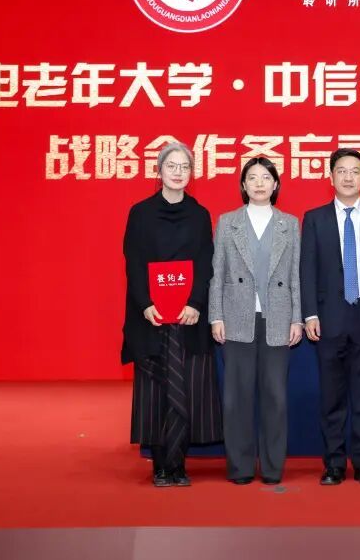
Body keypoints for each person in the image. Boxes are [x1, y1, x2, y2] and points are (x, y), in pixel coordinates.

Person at [121, 141, 222, 487]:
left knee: (185, 388)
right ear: (159, 170)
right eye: (172, 166)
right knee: (156, 391)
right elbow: (134, 262)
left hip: (187, 318)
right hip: (151, 317)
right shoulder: (140, 213)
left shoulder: (199, 214)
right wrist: (145, 303)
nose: (178, 173)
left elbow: (205, 263)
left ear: (191, 173)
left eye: (184, 167)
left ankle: (177, 464)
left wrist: (195, 303)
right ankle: (160, 465)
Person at [301, 148, 360, 486]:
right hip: (328, 319)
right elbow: (307, 269)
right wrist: (309, 313)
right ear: (330, 177)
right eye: (341, 171)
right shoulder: (314, 218)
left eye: (355, 171)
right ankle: (333, 464)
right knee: (332, 398)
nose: (347, 177)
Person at [209, 157, 303, 485]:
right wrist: (216, 316)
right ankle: (240, 467)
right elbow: (217, 273)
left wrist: (297, 318)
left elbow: (296, 275)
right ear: (243, 184)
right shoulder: (227, 222)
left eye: (266, 177)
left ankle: (273, 468)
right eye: (253, 177)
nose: (260, 183)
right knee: (237, 398)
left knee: (275, 397)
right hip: (237, 318)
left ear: (276, 184)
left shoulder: (289, 224)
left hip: (278, 318)